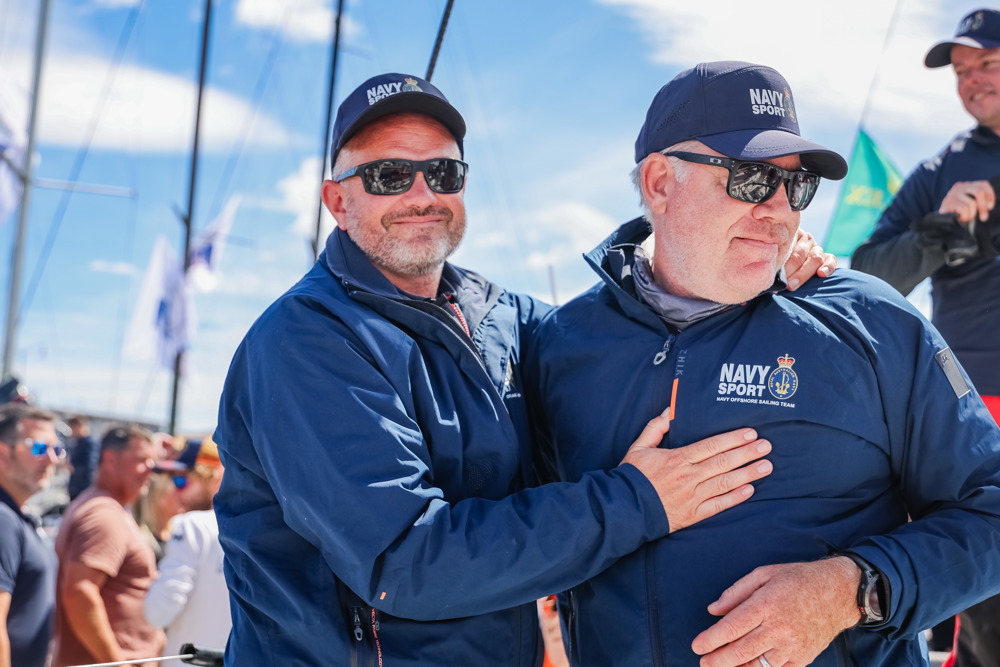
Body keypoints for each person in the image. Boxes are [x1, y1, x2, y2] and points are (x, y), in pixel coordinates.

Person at [212, 71, 854, 666]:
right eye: (386, 176)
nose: (420, 195)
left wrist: (759, 247)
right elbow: (406, 562)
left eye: (442, 172)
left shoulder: (507, 319)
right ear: (336, 200)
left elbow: (630, 328)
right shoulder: (305, 340)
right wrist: (639, 501)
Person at [526, 60, 1000, 667]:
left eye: (797, 185)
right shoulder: (560, 343)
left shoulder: (869, 321)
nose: (780, 209)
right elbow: (503, 536)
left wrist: (854, 589)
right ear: (660, 182)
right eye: (751, 179)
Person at [851, 9, 1000, 664]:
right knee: (989, 593)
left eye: (987, 64)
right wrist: (938, 227)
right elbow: (866, 270)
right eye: (962, 72)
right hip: (977, 404)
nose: (971, 81)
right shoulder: (942, 168)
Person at [53, 425, 164, 667]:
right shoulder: (104, 515)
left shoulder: (106, 507)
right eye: (142, 460)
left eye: (152, 461)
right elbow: (79, 594)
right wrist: (117, 664)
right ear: (110, 460)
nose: (150, 470)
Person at [144, 435, 230, 666]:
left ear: (214, 478)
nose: (175, 491)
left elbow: (157, 613)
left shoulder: (190, 526)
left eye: (182, 481)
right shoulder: (256, 529)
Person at [0, 404, 60, 667]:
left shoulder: (16, 517)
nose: (52, 459)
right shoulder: (3, 519)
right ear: (3, 454)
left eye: (57, 449)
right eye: (39, 448)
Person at [66, 415, 99, 501]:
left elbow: (90, 465)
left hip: (83, 489)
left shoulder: (89, 444)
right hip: (76, 488)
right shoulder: (78, 443)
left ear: (80, 427)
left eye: (73, 429)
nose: (71, 432)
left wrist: (73, 468)